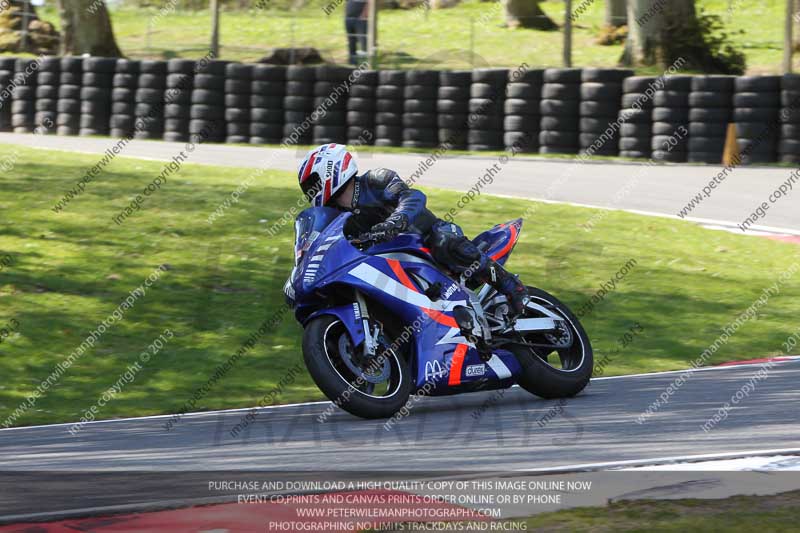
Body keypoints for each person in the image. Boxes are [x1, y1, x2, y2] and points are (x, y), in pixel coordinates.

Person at [296, 143, 529, 316]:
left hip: (426, 237)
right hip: (391, 260)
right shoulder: (339, 217)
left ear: (329, 170)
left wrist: (395, 221)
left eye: (311, 184)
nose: (310, 192)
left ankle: (512, 287)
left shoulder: (376, 179)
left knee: (444, 241)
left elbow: (413, 197)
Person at [345, 0, 368, 65]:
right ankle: (352, 63)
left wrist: (364, 15)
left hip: (361, 20)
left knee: (363, 42)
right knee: (351, 42)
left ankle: (364, 64)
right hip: (348, 18)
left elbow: (370, 3)